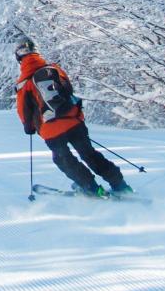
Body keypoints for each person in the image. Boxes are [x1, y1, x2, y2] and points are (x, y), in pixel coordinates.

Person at [15, 39, 129, 197]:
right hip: (74, 121)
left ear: (19, 58)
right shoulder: (54, 69)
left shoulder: (24, 83)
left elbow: (23, 111)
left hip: (51, 129)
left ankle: (91, 188)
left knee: (63, 159)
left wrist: (29, 127)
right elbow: (68, 90)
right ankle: (120, 185)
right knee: (89, 153)